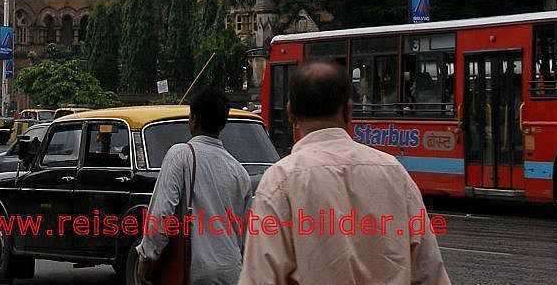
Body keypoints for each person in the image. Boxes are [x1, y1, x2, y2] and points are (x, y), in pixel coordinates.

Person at [239, 61, 449, 285]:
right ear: (348, 109)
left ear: (290, 114)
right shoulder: (393, 171)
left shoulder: (281, 180)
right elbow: (429, 271)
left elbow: (260, 277)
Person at [136, 87, 252, 285]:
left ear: (194, 119)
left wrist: (147, 256)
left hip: (195, 270)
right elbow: (244, 231)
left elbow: (162, 213)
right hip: (231, 270)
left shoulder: (181, 155)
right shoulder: (239, 171)